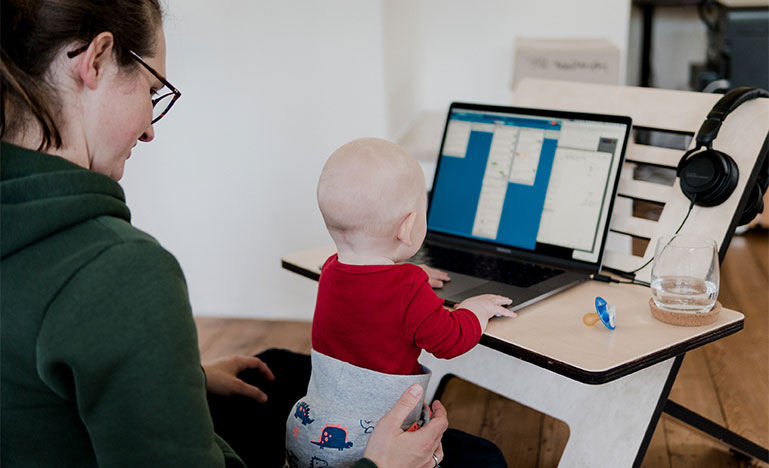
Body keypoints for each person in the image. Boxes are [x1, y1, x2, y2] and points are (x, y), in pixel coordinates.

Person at [0, 2, 508, 468]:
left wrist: (184, 384)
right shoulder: (119, 269)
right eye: (153, 90)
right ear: (96, 60)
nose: (151, 127)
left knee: (275, 368)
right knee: (480, 458)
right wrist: (378, 465)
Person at [285, 138, 515, 468]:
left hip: (307, 434)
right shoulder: (408, 286)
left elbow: (368, 291)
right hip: (374, 444)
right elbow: (449, 340)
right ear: (409, 227)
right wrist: (475, 309)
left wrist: (411, 272)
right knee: (486, 458)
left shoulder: (332, 270)